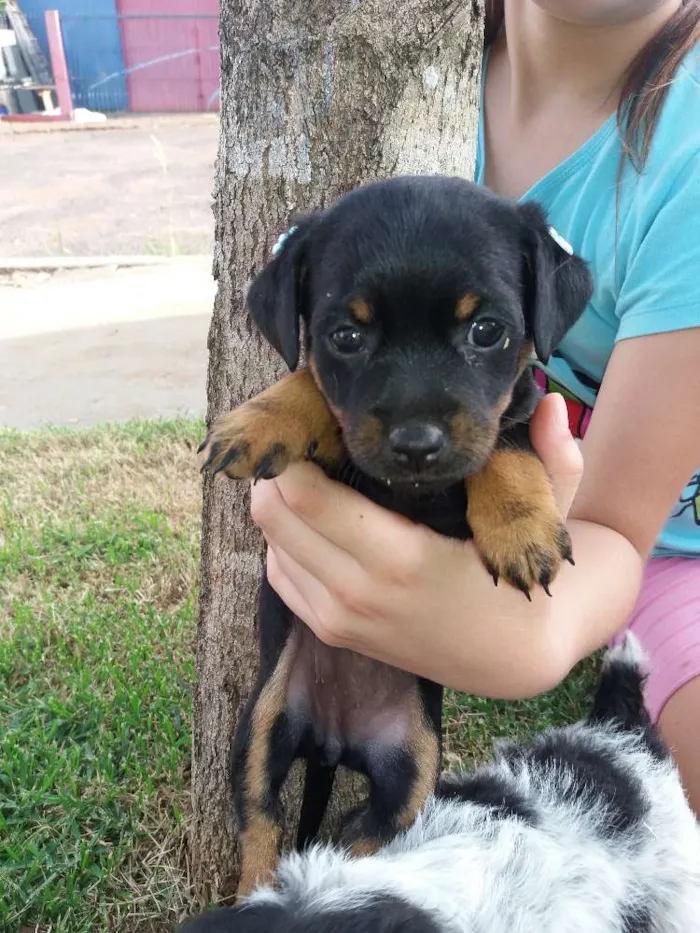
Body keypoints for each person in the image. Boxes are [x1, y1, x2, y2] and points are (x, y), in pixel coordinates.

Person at [249, 0, 700, 814]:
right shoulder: (396, 62)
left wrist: (542, 632)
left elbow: (624, 531)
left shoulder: (688, 155)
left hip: (675, 536)